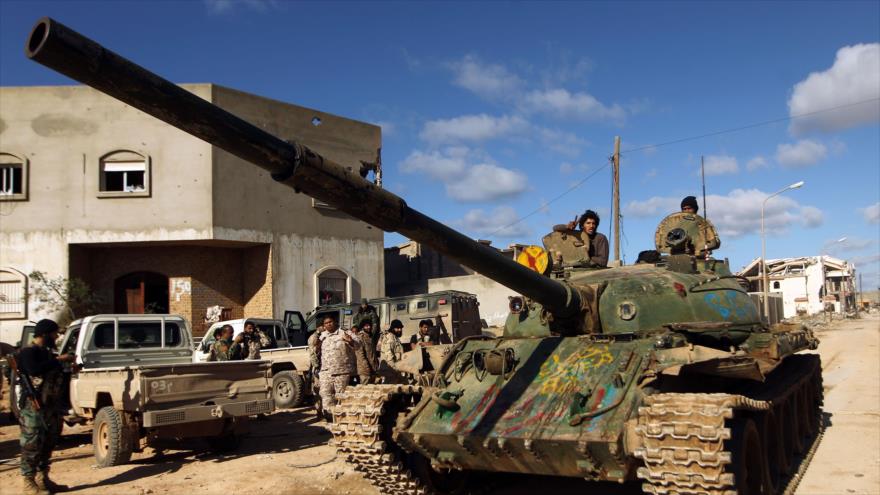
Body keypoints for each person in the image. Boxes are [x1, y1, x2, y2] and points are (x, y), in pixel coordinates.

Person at [17, 319, 76, 495]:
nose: (56, 336)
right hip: (33, 406)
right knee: (32, 444)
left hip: (50, 405)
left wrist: (69, 367)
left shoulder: (47, 353)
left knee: (48, 442)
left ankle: (43, 480)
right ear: (44, 334)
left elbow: (55, 374)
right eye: (54, 333)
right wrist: (59, 360)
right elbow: (34, 369)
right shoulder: (28, 352)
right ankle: (28, 483)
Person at [318, 316, 360, 420]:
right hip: (325, 371)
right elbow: (316, 349)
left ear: (335, 322)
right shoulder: (322, 336)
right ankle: (329, 419)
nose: (328, 324)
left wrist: (350, 341)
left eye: (330, 322)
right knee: (326, 395)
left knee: (341, 397)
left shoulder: (344, 333)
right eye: (326, 323)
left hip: (341, 371)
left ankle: (342, 420)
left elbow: (359, 345)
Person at [353, 321, 379, 385]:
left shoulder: (369, 337)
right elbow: (360, 355)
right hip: (365, 370)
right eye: (366, 326)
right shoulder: (360, 337)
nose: (369, 327)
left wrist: (375, 366)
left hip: (373, 368)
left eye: (369, 326)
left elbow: (372, 354)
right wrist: (366, 369)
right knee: (365, 390)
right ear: (362, 327)